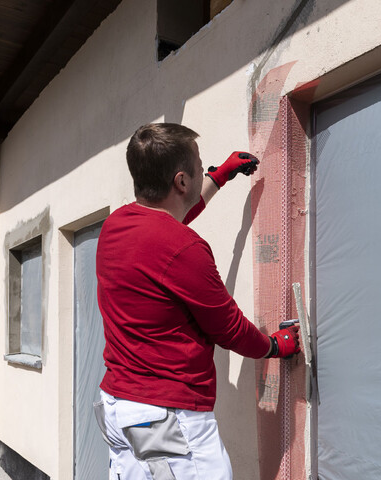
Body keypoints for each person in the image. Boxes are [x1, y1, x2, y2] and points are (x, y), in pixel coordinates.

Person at [93, 123, 301, 480]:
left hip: (119, 407)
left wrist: (219, 177)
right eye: (199, 165)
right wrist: (273, 346)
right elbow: (229, 329)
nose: (204, 168)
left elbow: (171, 220)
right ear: (181, 182)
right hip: (167, 419)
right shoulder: (185, 248)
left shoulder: (117, 225)